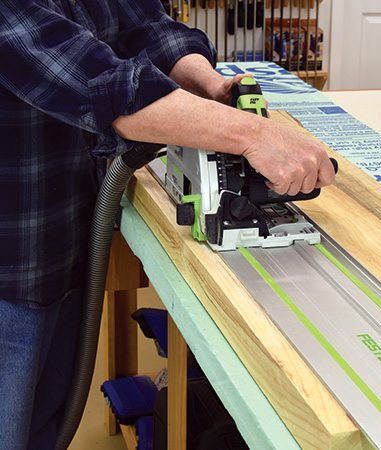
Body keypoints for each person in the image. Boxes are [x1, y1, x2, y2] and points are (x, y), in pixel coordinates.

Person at [0, 1, 335, 449]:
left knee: (42, 423)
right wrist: (254, 135)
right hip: (10, 254)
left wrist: (211, 86)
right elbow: (101, 84)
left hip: (65, 234)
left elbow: (149, 26)